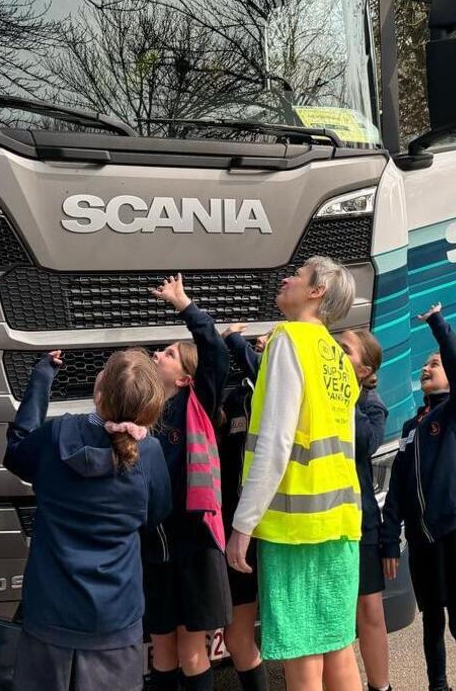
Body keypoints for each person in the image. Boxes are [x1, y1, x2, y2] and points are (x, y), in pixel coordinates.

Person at [226, 255, 363, 691]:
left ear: (316, 291)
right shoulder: (337, 357)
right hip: (342, 520)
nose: (286, 278)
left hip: (295, 527)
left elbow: (275, 442)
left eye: (299, 275)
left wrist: (243, 524)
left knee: (301, 649)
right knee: (338, 645)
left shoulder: (289, 340)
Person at [4, 347, 172, 691]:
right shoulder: (150, 454)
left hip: (50, 612)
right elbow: (156, 513)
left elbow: (17, 453)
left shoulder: (56, 436)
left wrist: (40, 381)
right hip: (115, 617)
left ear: (99, 392)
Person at [381, 303, 456, 691]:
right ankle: (438, 685)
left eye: (435, 364)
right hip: (421, 538)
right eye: (425, 365)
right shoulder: (413, 425)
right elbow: (396, 488)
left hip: (454, 530)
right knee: (431, 621)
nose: (427, 368)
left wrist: (438, 327)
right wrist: (389, 541)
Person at [144, 274, 234, 691]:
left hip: (195, 543)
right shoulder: (144, 414)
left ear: (185, 379)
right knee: (162, 647)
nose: (157, 356)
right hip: (157, 545)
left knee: (192, 650)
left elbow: (214, 352)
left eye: (167, 353)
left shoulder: (196, 404)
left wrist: (184, 305)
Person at [336, 328, 391, 691]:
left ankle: (381, 686)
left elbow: (366, 443)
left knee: (369, 610)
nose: (337, 354)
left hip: (362, 520)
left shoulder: (370, 405)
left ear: (363, 368)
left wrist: (348, 397)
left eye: (345, 351)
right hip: (328, 518)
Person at [218, 324, 270, 691]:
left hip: (267, 532)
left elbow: (264, 374)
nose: (261, 342)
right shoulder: (235, 399)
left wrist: (234, 340)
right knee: (236, 638)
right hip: (230, 529)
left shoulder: (280, 395)